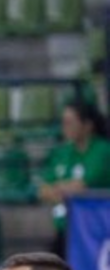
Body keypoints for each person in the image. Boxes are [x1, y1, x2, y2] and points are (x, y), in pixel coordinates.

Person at [38, 100, 110, 240]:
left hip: (95, 233)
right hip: (65, 228)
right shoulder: (62, 153)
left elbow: (81, 187)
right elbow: (43, 190)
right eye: (63, 122)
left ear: (87, 126)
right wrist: (60, 191)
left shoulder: (102, 151)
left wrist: (58, 189)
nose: (64, 127)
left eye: (70, 122)